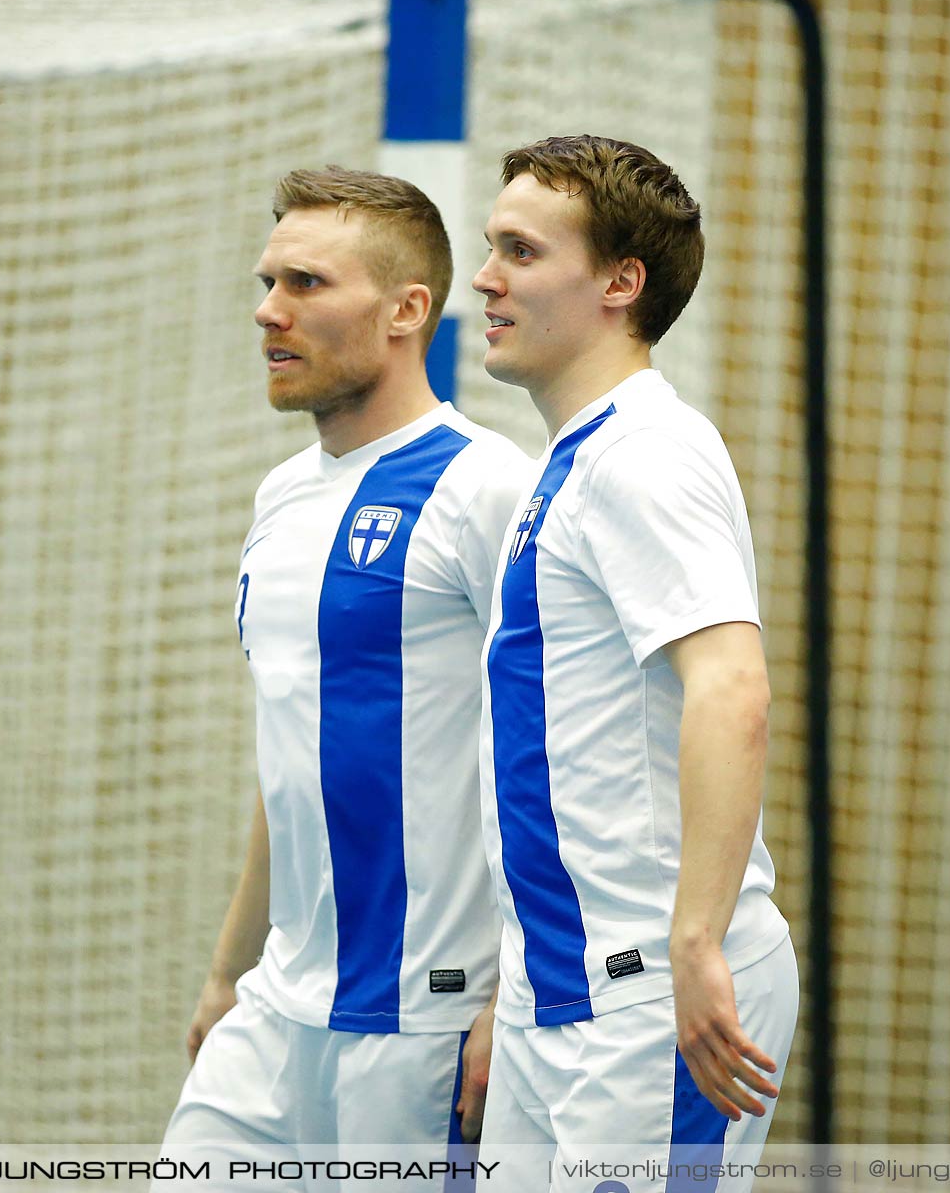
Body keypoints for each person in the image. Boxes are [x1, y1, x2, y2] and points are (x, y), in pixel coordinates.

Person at [160, 167, 531, 1170]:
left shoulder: (488, 491)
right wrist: (228, 976)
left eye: (306, 285)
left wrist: (521, 1004)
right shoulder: (281, 497)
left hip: (424, 1025)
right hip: (277, 1009)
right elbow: (296, 757)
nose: (267, 311)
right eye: (268, 281)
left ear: (409, 309)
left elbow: (568, 756)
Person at [470, 136, 798, 1180]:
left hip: (652, 992)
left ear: (621, 283)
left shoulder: (645, 454)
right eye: (491, 247)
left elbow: (733, 687)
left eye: (521, 251)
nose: (486, 278)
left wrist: (696, 946)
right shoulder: (569, 463)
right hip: (558, 991)